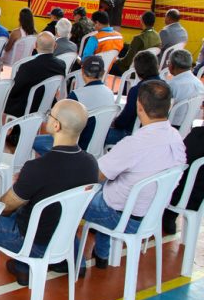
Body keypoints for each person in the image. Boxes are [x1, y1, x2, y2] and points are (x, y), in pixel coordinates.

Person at [0, 99, 99, 286]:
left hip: (30, 240)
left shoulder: (37, 168)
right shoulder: (92, 164)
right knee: (42, 210)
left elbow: (5, 208)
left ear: (56, 125)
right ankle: (29, 267)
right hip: (63, 238)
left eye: (50, 115)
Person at [82, 80, 186, 269]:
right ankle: (102, 254)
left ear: (139, 106)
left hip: (121, 217)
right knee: (115, 188)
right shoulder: (176, 138)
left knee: (68, 196)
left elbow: (95, 175)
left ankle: (71, 258)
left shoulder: (135, 143)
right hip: (151, 214)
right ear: (169, 106)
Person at [33, 56, 114, 155]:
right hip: (97, 148)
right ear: (103, 72)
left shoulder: (77, 95)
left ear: (82, 72)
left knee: (34, 142)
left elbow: (61, 125)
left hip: (74, 146)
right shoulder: (110, 94)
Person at [2, 32, 66, 118]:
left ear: (35, 45)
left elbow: (14, 90)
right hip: (48, 106)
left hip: (26, 109)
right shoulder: (61, 65)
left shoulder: (27, 66)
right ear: (55, 46)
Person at [106, 50, 160, 145]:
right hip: (156, 135)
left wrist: (113, 122)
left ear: (137, 70)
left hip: (132, 134)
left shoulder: (137, 90)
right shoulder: (166, 87)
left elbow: (124, 120)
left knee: (97, 134)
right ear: (157, 66)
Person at [163, 126, 204, 234]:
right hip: (199, 200)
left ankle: (168, 216)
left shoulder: (199, 134)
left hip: (184, 198)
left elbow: (181, 160)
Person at [111, 10, 161, 75]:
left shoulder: (138, 38)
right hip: (149, 69)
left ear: (142, 21)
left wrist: (117, 60)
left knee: (110, 65)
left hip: (135, 71)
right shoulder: (157, 36)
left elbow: (127, 61)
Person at [166, 49, 204, 127]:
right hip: (190, 125)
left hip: (172, 125)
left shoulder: (172, 85)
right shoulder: (199, 83)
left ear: (171, 66)